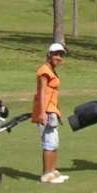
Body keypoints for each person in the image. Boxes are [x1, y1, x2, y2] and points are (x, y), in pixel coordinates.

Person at [33, 42, 69, 184]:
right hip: (45, 111)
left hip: (52, 110)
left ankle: (52, 171)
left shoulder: (52, 70)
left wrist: (57, 111)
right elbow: (42, 92)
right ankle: (47, 174)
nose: (58, 57)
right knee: (49, 142)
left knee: (54, 142)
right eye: (56, 54)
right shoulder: (44, 70)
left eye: (60, 55)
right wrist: (42, 113)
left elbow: (53, 94)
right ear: (49, 55)